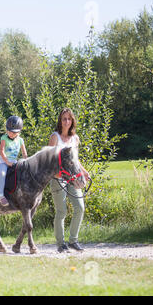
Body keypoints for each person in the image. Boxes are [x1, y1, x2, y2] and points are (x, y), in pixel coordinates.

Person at [48, 108, 91, 253]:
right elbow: (49, 160)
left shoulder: (75, 138)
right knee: (61, 211)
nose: (67, 121)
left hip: (73, 178)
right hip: (58, 178)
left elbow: (75, 160)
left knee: (80, 208)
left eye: (69, 119)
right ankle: (61, 244)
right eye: (64, 119)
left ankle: (73, 240)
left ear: (72, 121)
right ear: (60, 121)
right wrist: (57, 173)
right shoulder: (55, 137)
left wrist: (84, 172)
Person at [0, 116, 28, 206]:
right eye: (9, 131)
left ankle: (21, 194)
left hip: (14, 162)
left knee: (23, 175)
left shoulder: (20, 140)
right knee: (2, 174)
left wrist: (26, 161)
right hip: (4, 161)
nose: (10, 133)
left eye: (13, 132)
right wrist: (7, 162)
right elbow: (1, 151)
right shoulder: (4, 138)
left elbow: (24, 152)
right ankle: (1, 196)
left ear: (19, 132)